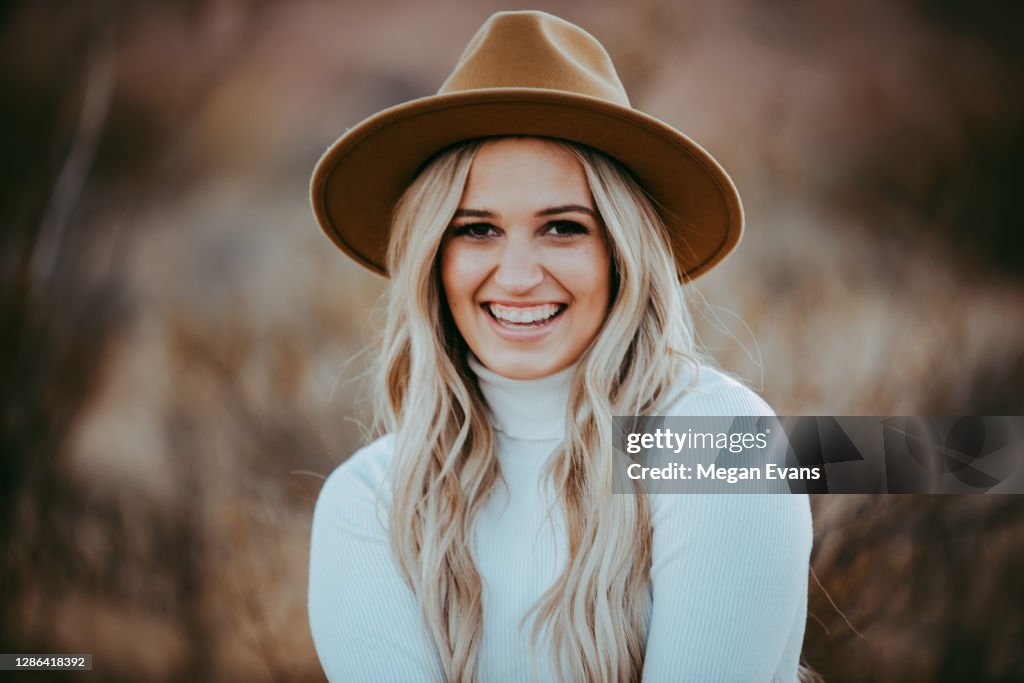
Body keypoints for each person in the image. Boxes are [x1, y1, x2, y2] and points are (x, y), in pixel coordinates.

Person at [307, 10, 813, 682]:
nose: (517, 277)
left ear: (620, 252)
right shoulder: (368, 500)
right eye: (477, 230)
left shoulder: (723, 441)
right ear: (434, 257)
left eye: (563, 228)